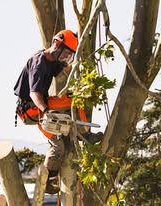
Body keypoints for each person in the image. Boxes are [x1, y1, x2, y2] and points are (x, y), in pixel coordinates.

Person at [14, 29, 103, 194]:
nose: (67, 56)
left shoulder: (53, 60)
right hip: (31, 110)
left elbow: (65, 70)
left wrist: (84, 83)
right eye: (67, 52)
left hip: (41, 106)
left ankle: (83, 133)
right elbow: (34, 93)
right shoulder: (39, 63)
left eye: (70, 54)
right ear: (57, 44)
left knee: (74, 99)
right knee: (58, 145)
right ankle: (48, 181)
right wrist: (46, 111)